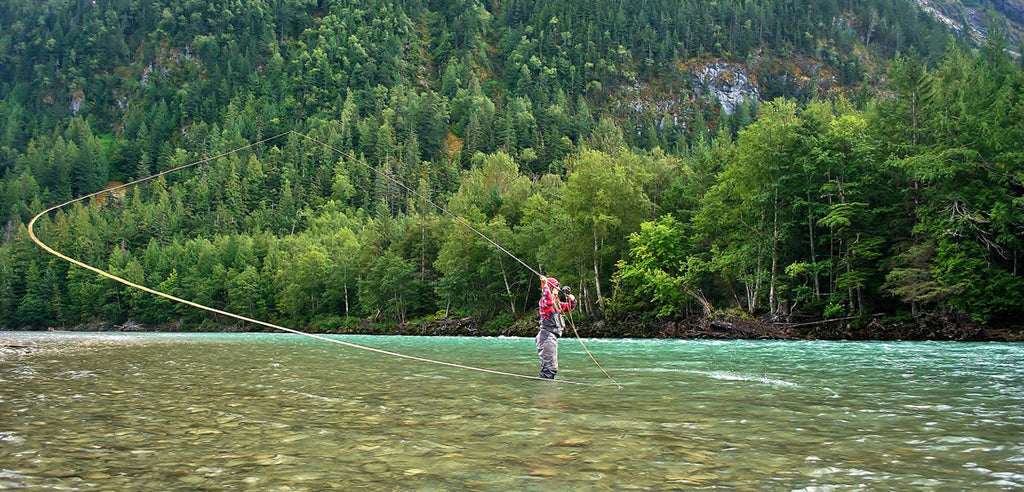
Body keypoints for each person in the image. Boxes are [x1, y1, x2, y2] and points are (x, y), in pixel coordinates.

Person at [536, 275, 577, 379]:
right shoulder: (544, 302)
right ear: (550, 289)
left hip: (551, 337)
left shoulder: (557, 304)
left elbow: (570, 307)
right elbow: (548, 300)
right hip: (546, 337)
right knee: (550, 369)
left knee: (551, 368)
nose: (557, 291)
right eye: (555, 288)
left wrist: (572, 300)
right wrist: (545, 285)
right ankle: (546, 392)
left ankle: (546, 389)